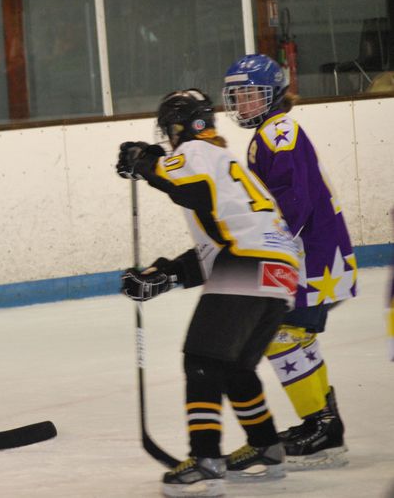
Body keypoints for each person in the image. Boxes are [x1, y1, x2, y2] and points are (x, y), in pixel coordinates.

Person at [116, 89, 301, 497]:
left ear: (178, 128)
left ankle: (206, 461)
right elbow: (215, 247)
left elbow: (182, 183)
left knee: (201, 359)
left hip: (250, 262)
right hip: (279, 271)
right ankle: (265, 446)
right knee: (234, 365)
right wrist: (163, 276)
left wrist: (143, 161)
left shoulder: (198, 153)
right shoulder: (226, 165)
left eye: (169, 133)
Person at [223, 54, 356, 468]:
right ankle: (322, 423)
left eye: (251, 94)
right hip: (314, 253)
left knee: (283, 335)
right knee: (295, 336)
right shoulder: (271, 130)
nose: (243, 103)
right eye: (238, 95)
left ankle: (321, 426)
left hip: (311, 256)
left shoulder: (278, 129)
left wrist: (269, 245)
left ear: (273, 94)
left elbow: (291, 199)